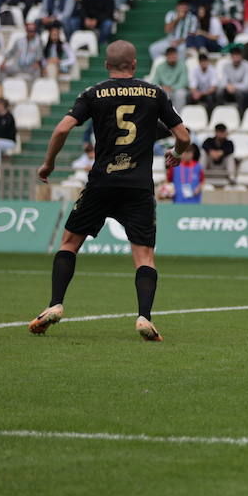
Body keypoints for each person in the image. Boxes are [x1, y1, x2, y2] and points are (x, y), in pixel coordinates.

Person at [29, 40, 192, 342]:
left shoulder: (93, 94)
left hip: (102, 182)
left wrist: (48, 165)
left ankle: (55, 304)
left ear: (107, 65)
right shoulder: (154, 93)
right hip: (138, 187)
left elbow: (62, 129)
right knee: (144, 256)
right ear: (133, 65)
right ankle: (144, 316)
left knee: (68, 243)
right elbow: (183, 135)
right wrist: (177, 152)